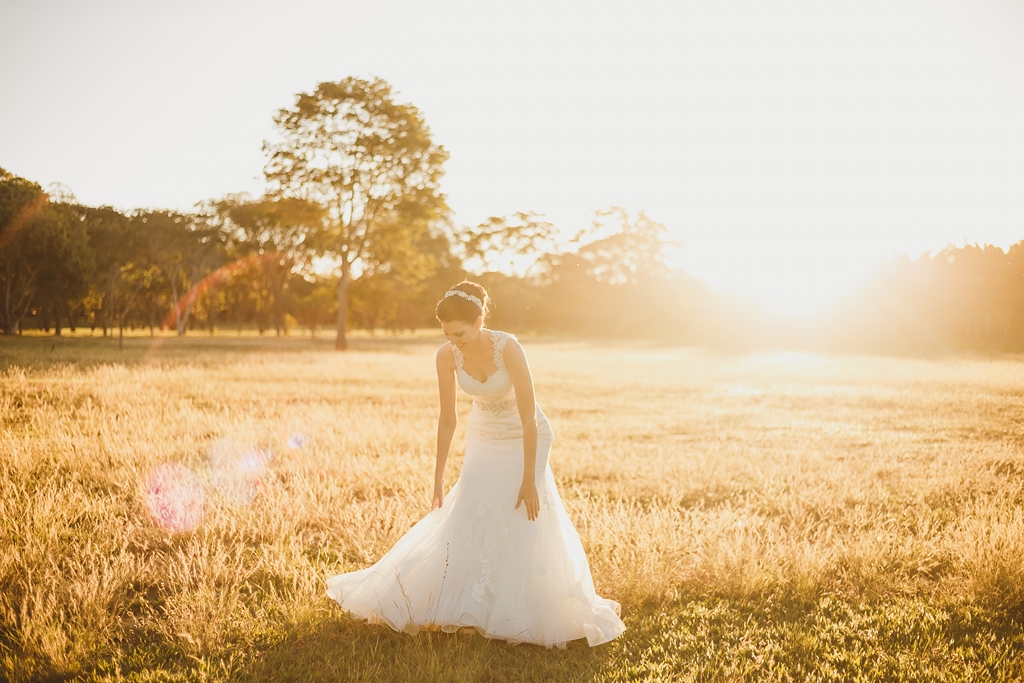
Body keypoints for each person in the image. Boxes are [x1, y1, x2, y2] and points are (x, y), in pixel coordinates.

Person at [326, 281, 625, 648]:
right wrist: (437, 480)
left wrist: (530, 478)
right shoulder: (446, 356)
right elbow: (447, 420)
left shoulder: (509, 348)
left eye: (460, 333)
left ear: (480, 320)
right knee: (472, 508)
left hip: (524, 435)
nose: (454, 341)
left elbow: (530, 420)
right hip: (484, 436)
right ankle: (473, 604)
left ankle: (523, 604)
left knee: (524, 512)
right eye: (447, 333)